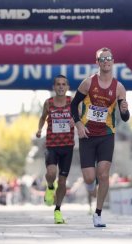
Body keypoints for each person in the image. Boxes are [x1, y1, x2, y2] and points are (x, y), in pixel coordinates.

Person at [70, 47, 130, 227]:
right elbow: (73, 105)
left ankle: (98, 214)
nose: (106, 61)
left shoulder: (119, 87)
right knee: (89, 177)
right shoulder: (88, 83)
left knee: (103, 174)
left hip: (106, 134)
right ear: (97, 62)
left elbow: (125, 117)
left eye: (109, 58)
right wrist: (79, 124)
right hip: (87, 134)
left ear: (113, 62)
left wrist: (126, 111)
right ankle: (90, 188)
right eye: (102, 59)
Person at [36, 74, 75, 224]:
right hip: (52, 145)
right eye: (58, 84)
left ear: (67, 87)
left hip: (68, 146)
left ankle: (57, 210)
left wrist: (75, 120)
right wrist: (39, 129)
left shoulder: (72, 102)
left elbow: (81, 116)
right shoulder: (48, 103)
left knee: (63, 182)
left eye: (63, 84)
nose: (60, 86)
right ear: (54, 87)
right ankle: (50, 186)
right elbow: (42, 117)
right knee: (51, 173)